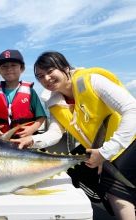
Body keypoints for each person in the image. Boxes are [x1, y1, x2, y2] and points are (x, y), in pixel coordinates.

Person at [12, 51, 136, 220]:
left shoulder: (93, 81)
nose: (46, 79)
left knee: (116, 190)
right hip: (99, 150)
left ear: (65, 67)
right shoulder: (54, 102)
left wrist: (107, 151)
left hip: (129, 141)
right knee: (74, 174)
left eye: (50, 71)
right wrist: (32, 140)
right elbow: (56, 133)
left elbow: (132, 109)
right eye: (40, 76)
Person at [0, 49, 46, 138]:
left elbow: (41, 116)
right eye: (4, 66)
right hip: (1, 140)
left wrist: (32, 129)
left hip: (24, 140)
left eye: (13, 65)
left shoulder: (30, 92)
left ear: (22, 68)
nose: (9, 69)